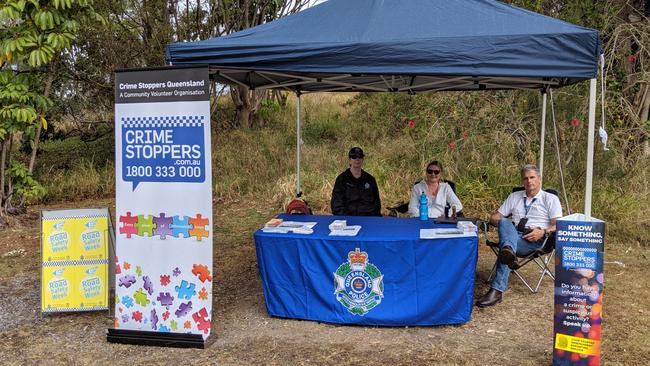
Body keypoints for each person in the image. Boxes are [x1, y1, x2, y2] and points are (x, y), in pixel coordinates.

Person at [476, 164, 562, 307]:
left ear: (539, 179)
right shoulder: (515, 196)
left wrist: (542, 231)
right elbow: (494, 217)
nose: (529, 181)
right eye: (525, 178)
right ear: (522, 181)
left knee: (507, 246)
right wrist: (504, 226)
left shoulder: (550, 198)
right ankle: (508, 251)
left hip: (536, 239)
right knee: (503, 221)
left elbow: (558, 224)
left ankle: (497, 289)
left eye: (532, 177)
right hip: (514, 234)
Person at [331, 147, 381, 216]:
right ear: (349, 160)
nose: (357, 159)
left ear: (363, 159)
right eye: (354, 157)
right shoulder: (341, 179)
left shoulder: (370, 179)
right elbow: (336, 205)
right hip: (348, 219)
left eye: (360, 157)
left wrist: (376, 219)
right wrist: (346, 219)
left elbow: (377, 204)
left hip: (369, 219)